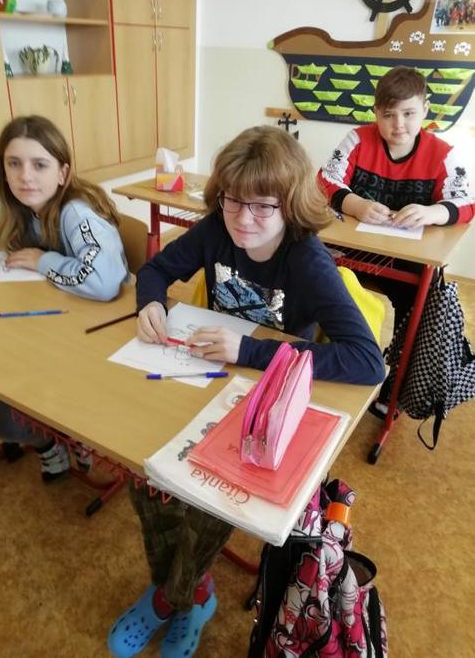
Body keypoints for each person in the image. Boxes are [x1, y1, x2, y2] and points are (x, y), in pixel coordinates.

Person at [107, 125, 385, 658]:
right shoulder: (216, 229)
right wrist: (151, 302)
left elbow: (366, 360)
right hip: (205, 377)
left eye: (262, 206)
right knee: (146, 474)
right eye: (232, 201)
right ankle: (188, 589)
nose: (242, 218)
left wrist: (249, 351)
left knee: (206, 499)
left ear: (290, 206)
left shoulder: (306, 260)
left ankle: (177, 598)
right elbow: (157, 269)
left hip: (265, 398)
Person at [0, 115, 130, 480]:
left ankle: (67, 432)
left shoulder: (75, 212)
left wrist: (42, 260)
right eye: (14, 164)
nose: (25, 176)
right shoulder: (8, 206)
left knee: (8, 416)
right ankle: (51, 442)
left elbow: (105, 282)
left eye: (39, 165)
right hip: (38, 326)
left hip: (94, 335)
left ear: (63, 172)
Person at [318, 65, 474, 413]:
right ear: (376, 113)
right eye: (388, 115)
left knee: (420, 305)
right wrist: (355, 203)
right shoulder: (358, 139)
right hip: (352, 249)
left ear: (425, 110)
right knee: (316, 278)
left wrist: (434, 212)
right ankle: (326, 361)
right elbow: (326, 179)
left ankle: (396, 384)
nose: (398, 124)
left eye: (408, 113)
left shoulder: (443, 153)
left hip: (406, 260)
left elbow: (466, 203)